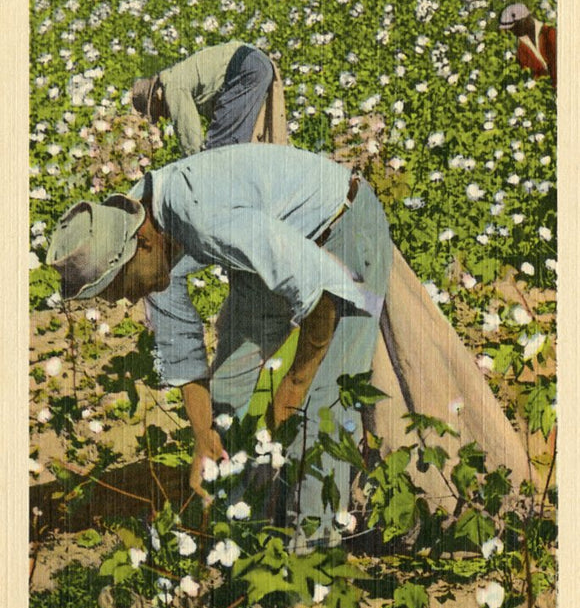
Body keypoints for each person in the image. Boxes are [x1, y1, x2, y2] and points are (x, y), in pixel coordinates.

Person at [47, 144, 532, 546]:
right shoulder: (132, 218)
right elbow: (181, 347)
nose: (127, 298)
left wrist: (292, 389)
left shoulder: (200, 217)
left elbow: (319, 289)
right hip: (271, 245)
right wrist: (201, 440)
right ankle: (241, 524)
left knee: (320, 408)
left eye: (123, 287)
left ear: (144, 247)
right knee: (229, 396)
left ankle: (312, 555)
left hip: (339, 232)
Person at [132, 42, 287, 155]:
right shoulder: (182, 78)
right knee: (243, 143)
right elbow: (218, 115)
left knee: (218, 151)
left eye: (155, 112)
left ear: (156, 96)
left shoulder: (172, 86)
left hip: (245, 67)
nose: (162, 117)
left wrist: (194, 165)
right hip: (256, 62)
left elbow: (189, 132)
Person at [498, 3, 557, 90]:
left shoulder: (550, 33)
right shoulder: (521, 47)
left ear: (525, 21)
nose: (513, 32)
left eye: (514, 28)